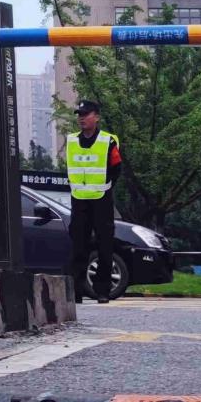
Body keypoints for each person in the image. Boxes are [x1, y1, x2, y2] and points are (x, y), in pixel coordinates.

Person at [66, 98, 123, 303]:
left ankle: (102, 290)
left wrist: (105, 186)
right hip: (79, 200)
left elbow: (116, 168)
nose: (82, 118)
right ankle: (76, 291)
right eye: (79, 115)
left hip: (101, 199)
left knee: (104, 245)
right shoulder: (71, 140)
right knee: (78, 246)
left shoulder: (108, 141)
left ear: (96, 117)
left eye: (86, 115)